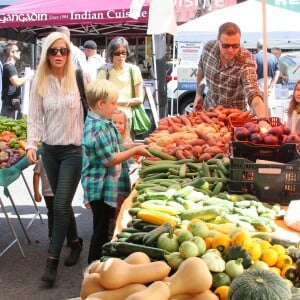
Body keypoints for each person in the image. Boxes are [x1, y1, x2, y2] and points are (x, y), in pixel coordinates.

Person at [26, 31, 91, 287]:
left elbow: (93, 109)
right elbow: (34, 118)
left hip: (75, 151)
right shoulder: (39, 81)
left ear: (69, 51)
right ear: (46, 54)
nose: (59, 55)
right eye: (53, 51)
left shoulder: (79, 75)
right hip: (50, 151)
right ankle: (75, 243)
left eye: (63, 50)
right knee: (57, 203)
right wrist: (32, 144)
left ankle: (51, 263)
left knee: (61, 204)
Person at [81, 79, 152, 264]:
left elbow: (118, 146)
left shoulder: (103, 120)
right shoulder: (98, 128)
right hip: (100, 187)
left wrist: (138, 144)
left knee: (105, 226)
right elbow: (110, 159)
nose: (116, 105)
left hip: (106, 184)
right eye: (113, 102)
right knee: (101, 230)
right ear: (101, 104)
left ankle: (100, 264)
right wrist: (136, 150)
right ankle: (93, 267)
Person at [193, 22, 271, 129]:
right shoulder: (209, 48)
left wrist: (262, 119)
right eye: (226, 46)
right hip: (209, 113)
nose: (231, 50)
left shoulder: (246, 60)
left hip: (235, 119)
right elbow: (201, 68)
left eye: (235, 46)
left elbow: (253, 91)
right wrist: (198, 94)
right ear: (218, 40)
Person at [97, 36, 144, 128]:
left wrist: (119, 102)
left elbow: (139, 99)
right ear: (111, 54)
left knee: (127, 142)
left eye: (124, 53)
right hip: (108, 119)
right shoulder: (104, 71)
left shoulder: (134, 70)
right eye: (117, 53)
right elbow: (97, 97)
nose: (121, 56)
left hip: (127, 119)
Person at [1, 42, 33, 119]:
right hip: (9, 105)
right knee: (8, 128)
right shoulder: (9, 67)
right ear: (11, 53)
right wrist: (29, 76)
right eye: (17, 50)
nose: (20, 52)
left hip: (13, 103)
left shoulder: (11, 67)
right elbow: (16, 82)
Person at [33, 157, 54, 240]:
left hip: (62, 191)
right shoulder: (42, 158)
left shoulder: (64, 156)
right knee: (52, 213)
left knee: (65, 213)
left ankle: (71, 237)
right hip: (48, 193)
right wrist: (36, 192)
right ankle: (52, 236)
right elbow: (36, 174)